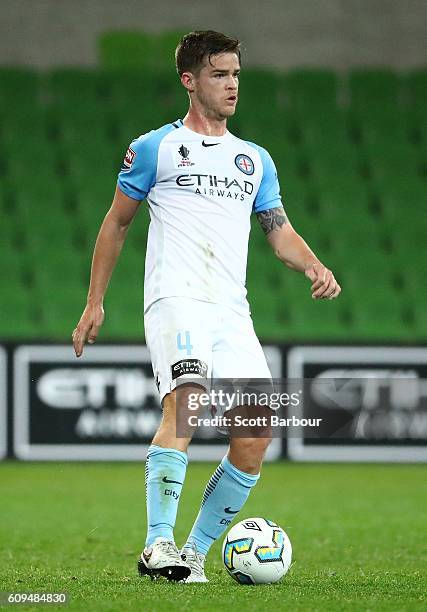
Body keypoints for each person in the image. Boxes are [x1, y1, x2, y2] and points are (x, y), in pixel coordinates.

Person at [72, 30, 341, 583]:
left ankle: (190, 553)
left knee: (256, 432)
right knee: (188, 404)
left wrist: (313, 264)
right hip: (176, 298)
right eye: (220, 74)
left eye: (237, 73)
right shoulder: (156, 148)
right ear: (189, 81)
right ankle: (157, 544)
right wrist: (94, 300)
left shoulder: (254, 160)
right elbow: (117, 222)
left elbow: (279, 230)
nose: (233, 84)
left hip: (230, 310)